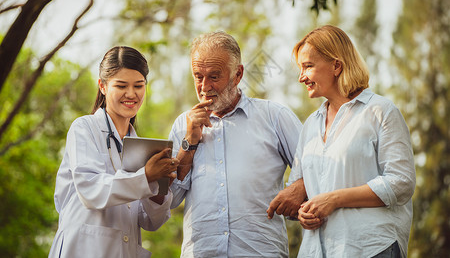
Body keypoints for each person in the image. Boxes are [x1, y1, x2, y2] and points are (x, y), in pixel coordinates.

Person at [271, 25, 416, 257]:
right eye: (301, 68)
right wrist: (304, 213)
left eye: (308, 66)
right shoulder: (310, 125)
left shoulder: (381, 111)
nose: (301, 77)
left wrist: (335, 199)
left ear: (336, 66)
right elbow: (303, 190)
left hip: (370, 249)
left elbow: (402, 183)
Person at [169, 31, 303, 257]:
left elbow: (316, 169)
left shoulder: (275, 116)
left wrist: (300, 185)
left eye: (214, 76)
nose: (204, 86)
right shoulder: (183, 124)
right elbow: (170, 198)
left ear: (238, 74)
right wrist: (189, 143)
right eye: (198, 76)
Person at [49, 46, 179, 258]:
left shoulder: (142, 147)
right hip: (82, 249)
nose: (131, 94)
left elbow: (151, 222)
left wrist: (160, 188)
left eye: (139, 85)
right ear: (102, 86)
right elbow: (91, 191)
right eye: (121, 85)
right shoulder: (84, 128)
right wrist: (146, 176)